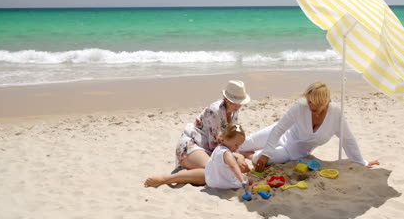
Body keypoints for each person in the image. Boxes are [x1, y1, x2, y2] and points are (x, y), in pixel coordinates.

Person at [238, 81, 380, 172]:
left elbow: (347, 139)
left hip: (293, 151)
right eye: (309, 101)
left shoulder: (335, 114)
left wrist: (361, 161)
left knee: (258, 158)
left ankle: (247, 155)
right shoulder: (300, 106)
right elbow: (279, 129)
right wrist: (267, 151)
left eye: (315, 103)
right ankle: (226, 152)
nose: (310, 105)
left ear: (325, 101)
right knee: (242, 144)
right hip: (282, 133)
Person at [144, 80, 251, 187]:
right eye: (235, 102)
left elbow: (231, 137)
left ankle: (187, 174)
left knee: (214, 172)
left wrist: (240, 156)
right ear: (226, 99)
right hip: (192, 144)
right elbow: (215, 143)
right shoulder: (215, 111)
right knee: (211, 172)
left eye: (240, 103)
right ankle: (166, 179)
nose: (238, 106)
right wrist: (235, 156)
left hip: (208, 148)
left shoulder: (234, 110)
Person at [205, 123, 251, 189]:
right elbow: (233, 166)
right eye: (236, 145)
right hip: (222, 183)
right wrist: (242, 181)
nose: (237, 148)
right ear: (226, 138)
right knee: (249, 180)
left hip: (211, 181)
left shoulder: (218, 148)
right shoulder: (227, 153)